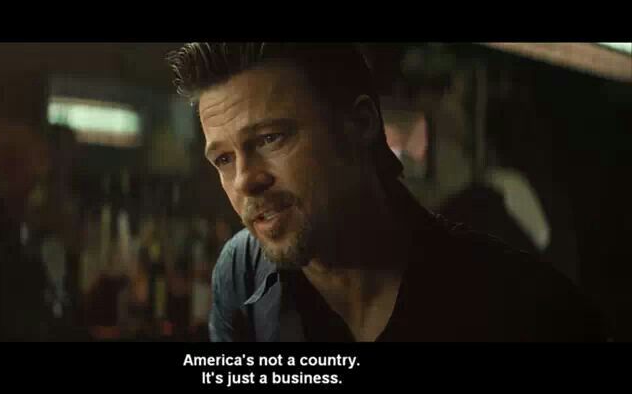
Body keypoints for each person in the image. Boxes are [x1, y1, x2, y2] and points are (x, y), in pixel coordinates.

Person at [165, 43, 606, 342]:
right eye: (223, 159)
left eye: (270, 138)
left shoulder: (528, 311)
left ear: (359, 124)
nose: (244, 180)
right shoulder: (241, 272)